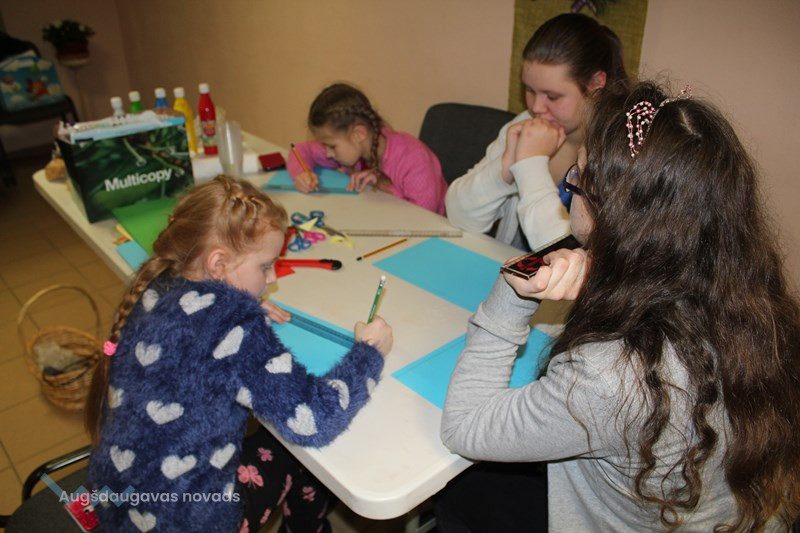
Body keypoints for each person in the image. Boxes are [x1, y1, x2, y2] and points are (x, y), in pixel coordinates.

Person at [438, 82, 800, 531]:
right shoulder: (757, 305)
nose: (570, 183)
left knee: (461, 488)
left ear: (616, 216)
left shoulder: (612, 376)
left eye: (578, 175)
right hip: (741, 513)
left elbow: (464, 427)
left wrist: (512, 292)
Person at [84, 176, 393, 531]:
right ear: (218, 264)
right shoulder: (236, 326)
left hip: (116, 505)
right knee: (299, 457)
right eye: (264, 266)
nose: (272, 277)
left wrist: (245, 302)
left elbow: (194, 333)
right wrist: (369, 353)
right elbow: (313, 420)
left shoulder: (159, 282)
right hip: (192, 522)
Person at [445, 13, 628, 251]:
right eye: (530, 90)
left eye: (552, 96)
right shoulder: (528, 124)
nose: (536, 108)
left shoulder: (621, 151)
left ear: (596, 84)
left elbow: (568, 255)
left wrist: (529, 166)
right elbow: (459, 215)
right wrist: (504, 170)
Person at [287, 82, 447, 215]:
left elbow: (422, 215)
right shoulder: (353, 145)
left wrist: (383, 186)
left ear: (358, 134)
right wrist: (302, 174)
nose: (328, 154)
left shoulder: (413, 159)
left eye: (331, 146)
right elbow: (300, 151)